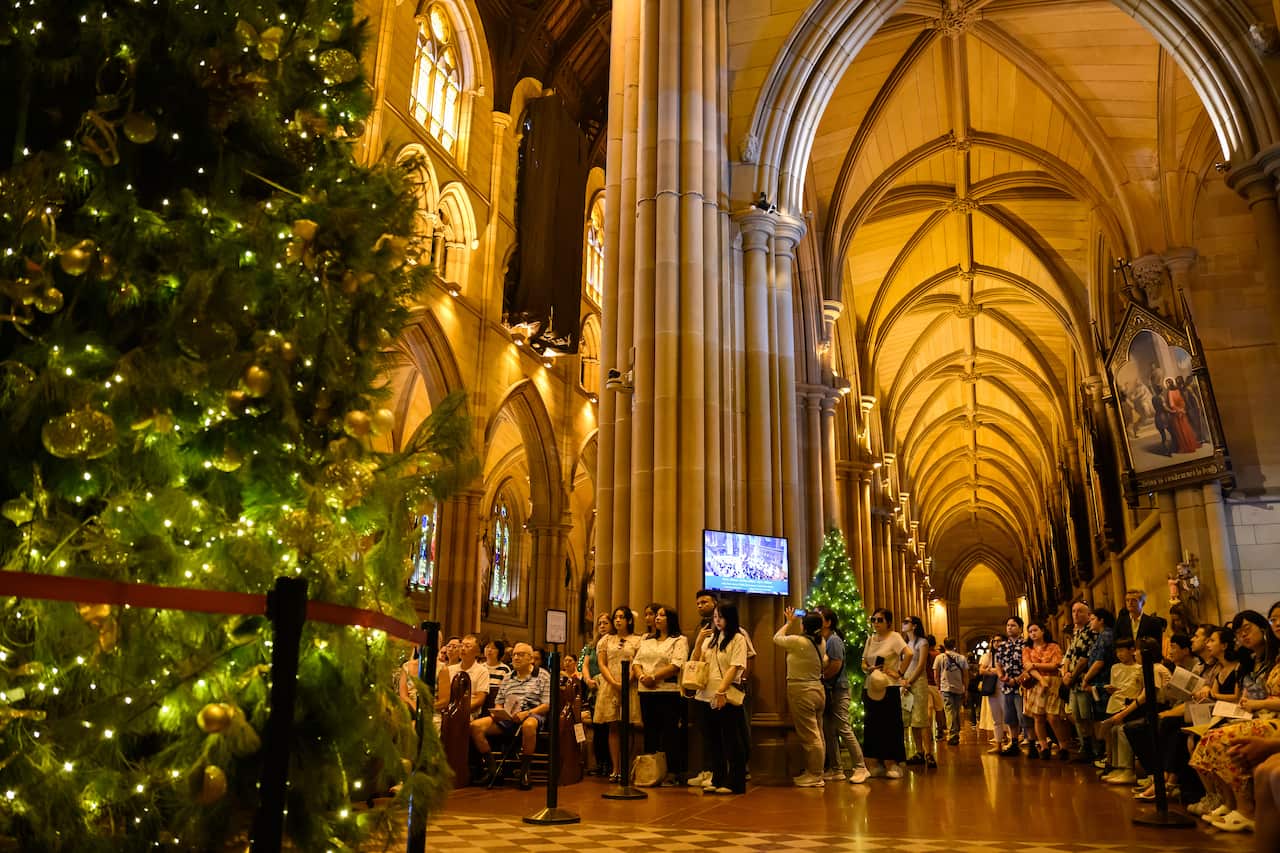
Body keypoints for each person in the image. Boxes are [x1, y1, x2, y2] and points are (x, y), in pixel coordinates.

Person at [1189, 607, 1280, 832]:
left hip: (1269, 716)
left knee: (1224, 738)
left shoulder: (1271, 658)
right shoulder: (1259, 660)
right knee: (1206, 738)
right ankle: (1227, 802)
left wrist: (1256, 704)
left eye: (1247, 630)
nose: (1244, 636)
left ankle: (1245, 809)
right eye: (1275, 619)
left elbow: (1260, 698)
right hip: (1259, 714)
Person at [469, 642, 551, 790]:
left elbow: (546, 705)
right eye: (514, 655)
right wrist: (500, 712)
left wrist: (526, 713)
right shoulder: (507, 678)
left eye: (521, 655)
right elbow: (499, 701)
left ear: (531, 659)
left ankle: (525, 771)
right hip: (508, 717)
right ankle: (494, 770)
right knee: (475, 726)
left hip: (532, 714)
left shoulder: (543, 675)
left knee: (529, 725)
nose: (516, 658)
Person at [690, 603, 749, 794]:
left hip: (725, 695)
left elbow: (736, 665)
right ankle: (718, 777)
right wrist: (699, 642)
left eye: (721, 617)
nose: (717, 620)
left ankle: (735, 781)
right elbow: (696, 663)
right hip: (704, 695)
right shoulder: (711, 639)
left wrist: (722, 690)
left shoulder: (738, 638)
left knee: (731, 739)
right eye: (715, 617)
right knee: (712, 739)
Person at [633, 605, 689, 785]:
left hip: (668, 691)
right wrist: (642, 676)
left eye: (662, 615)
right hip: (646, 690)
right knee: (650, 731)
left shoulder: (679, 640)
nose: (657, 618)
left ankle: (672, 772)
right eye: (656, 615)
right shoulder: (647, 640)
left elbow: (676, 664)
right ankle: (650, 771)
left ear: (670, 619)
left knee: (670, 732)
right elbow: (637, 662)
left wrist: (654, 677)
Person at [774, 607, 828, 787]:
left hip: (802, 690)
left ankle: (815, 775)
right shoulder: (821, 642)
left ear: (804, 626)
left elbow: (776, 638)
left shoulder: (798, 641)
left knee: (810, 735)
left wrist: (789, 622)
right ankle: (816, 771)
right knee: (818, 732)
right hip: (818, 690)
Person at [818, 606, 870, 783]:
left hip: (838, 689)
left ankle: (860, 766)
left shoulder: (833, 640)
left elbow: (836, 665)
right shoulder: (823, 639)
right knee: (829, 729)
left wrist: (821, 677)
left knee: (843, 727)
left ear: (828, 622)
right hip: (829, 689)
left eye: (819, 616)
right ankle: (836, 769)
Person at [595, 605, 643, 783]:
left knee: (627, 726)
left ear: (629, 620)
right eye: (615, 617)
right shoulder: (606, 640)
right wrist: (613, 682)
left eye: (621, 617)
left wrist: (626, 682)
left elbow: (638, 662)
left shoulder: (637, 640)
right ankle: (615, 768)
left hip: (629, 685)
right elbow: (602, 663)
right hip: (610, 685)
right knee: (613, 726)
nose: (617, 620)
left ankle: (626, 766)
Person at [862, 607, 910, 778]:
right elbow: (864, 662)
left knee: (889, 725)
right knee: (872, 725)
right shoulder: (870, 639)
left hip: (888, 687)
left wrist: (898, 673)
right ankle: (873, 763)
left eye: (880, 620)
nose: (876, 623)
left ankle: (892, 763)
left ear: (888, 622)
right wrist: (869, 668)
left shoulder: (894, 637)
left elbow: (908, 653)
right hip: (871, 686)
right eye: (873, 620)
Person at [1021, 622, 1072, 760]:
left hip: (1053, 682)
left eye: (1035, 630)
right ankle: (1043, 746)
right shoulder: (1027, 649)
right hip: (1036, 683)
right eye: (1030, 631)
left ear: (1042, 631)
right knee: (1038, 716)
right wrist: (1040, 679)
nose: (1033, 633)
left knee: (1053, 717)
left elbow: (1056, 664)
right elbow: (1027, 666)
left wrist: (1036, 665)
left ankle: (1063, 745)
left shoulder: (1053, 646)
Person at [1061, 599, 1097, 762]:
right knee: (1076, 715)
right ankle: (1084, 747)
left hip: (1083, 680)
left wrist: (1072, 676)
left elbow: (1084, 659)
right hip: (1073, 682)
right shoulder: (1077, 632)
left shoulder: (1091, 631)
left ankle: (1092, 749)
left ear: (1088, 614)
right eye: (1074, 611)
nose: (1075, 614)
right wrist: (1065, 673)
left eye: (1079, 611)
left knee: (1086, 715)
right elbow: (1068, 655)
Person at [580, 612, 612, 776]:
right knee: (598, 728)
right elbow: (584, 666)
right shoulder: (590, 646)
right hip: (593, 688)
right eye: (599, 624)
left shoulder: (613, 643)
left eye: (605, 623)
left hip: (608, 687)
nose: (602, 626)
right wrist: (587, 680)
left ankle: (611, 763)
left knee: (608, 728)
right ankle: (600, 763)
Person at [900, 615, 933, 766]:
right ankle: (919, 751)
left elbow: (921, 665)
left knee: (921, 719)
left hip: (917, 682)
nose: (903, 624)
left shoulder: (922, 642)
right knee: (911, 720)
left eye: (906, 622)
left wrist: (909, 681)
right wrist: (902, 681)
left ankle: (929, 753)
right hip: (905, 682)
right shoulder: (905, 644)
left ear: (914, 626)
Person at [994, 615, 1028, 756]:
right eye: (1008, 625)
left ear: (1020, 628)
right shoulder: (1003, 646)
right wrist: (1002, 676)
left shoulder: (1026, 644)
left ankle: (1031, 742)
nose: (1009, 628)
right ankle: (1014, 743)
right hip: (1007, 686)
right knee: (1010, 717)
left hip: (1023, 685)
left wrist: (1018, 679)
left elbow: (1029, 665)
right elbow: (998, 663)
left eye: (1013, 625)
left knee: (1024, 716)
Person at [436, 634, 489, 718]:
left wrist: (458, 709)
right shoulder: (450, 669)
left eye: (467, 646)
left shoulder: (482, 671)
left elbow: (479, 699)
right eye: (461, 646)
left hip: (468, 713)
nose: (463, 649)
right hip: (447, 709)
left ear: (477, 652)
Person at [933, 637, 968, 746]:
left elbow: (936, 674)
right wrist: (965, 688)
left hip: (946, 687)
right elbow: (965, 675)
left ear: (944, 645)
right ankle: (956, 732)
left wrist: (938, 686)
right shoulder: (961, 658)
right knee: (956, 710)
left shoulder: (939, 657)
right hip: (958, 687)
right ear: (954, 645)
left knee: (949, 711)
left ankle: (953, 734)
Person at [979, 634, 1007, 752]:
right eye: (995, 641)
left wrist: (991, 670)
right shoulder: (988, 656)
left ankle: (1011, 741)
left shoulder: (1006, 655)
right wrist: (994, 671)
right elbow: (981, 670)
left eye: (1000, 641)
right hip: (992, 689)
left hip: (1005, 688)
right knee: (996, 717)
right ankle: (998, 744)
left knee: (1008, 716)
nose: (997, 643)